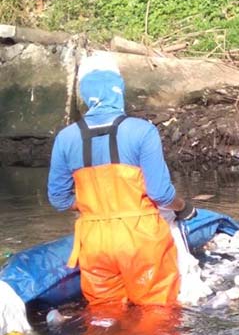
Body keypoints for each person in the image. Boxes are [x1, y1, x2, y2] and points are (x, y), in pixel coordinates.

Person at [48, 53, 196, 306]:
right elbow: (160, 194)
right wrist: (183, 207)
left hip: (94, 242)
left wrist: (93, 205)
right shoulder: (142, 131)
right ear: (118, 89)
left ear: (85, 94)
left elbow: (59, 199)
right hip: (141, 238)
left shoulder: (65, 138)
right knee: (157, 316)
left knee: (104, 319)